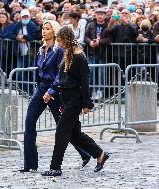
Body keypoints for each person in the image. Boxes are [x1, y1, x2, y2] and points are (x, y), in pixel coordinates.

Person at [19, 20, 91, 173]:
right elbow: (40, 72)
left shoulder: (59, 51)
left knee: (65, 128)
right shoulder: (41, 49)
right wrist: (39, 89)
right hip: (41, 90)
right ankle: (30, 163)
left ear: (54, 32)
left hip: (56, 91)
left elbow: (60, 74)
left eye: (47, 29)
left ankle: (86, 153)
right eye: (43, 28)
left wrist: (51, 91)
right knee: (29, 121)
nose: (44, 31)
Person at [42, 26, 109, 177]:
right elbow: (63, 78)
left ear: (65, 39)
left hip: (75, 99)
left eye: (59, 40)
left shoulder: (80, 57)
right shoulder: (67, 54)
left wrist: (87, 103)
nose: (58, 44)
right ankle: (100, 154)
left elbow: (85, 82)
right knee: (74, 134)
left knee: (61, 131)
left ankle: (55, 167)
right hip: (65, 97)